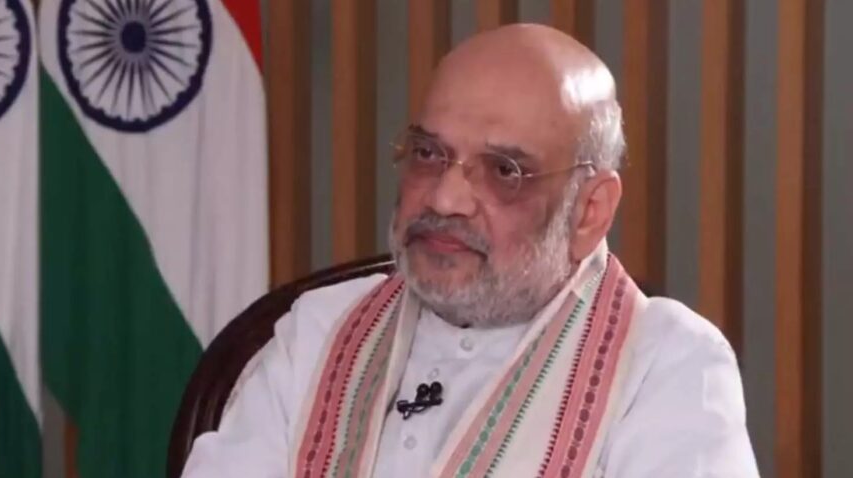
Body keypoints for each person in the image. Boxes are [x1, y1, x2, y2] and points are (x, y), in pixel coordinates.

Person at [182, 24, 759, 477]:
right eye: (428, 154)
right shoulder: (316, 331)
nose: (445, 198)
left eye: (505, 170)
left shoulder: (666, 366)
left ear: (589, 211)